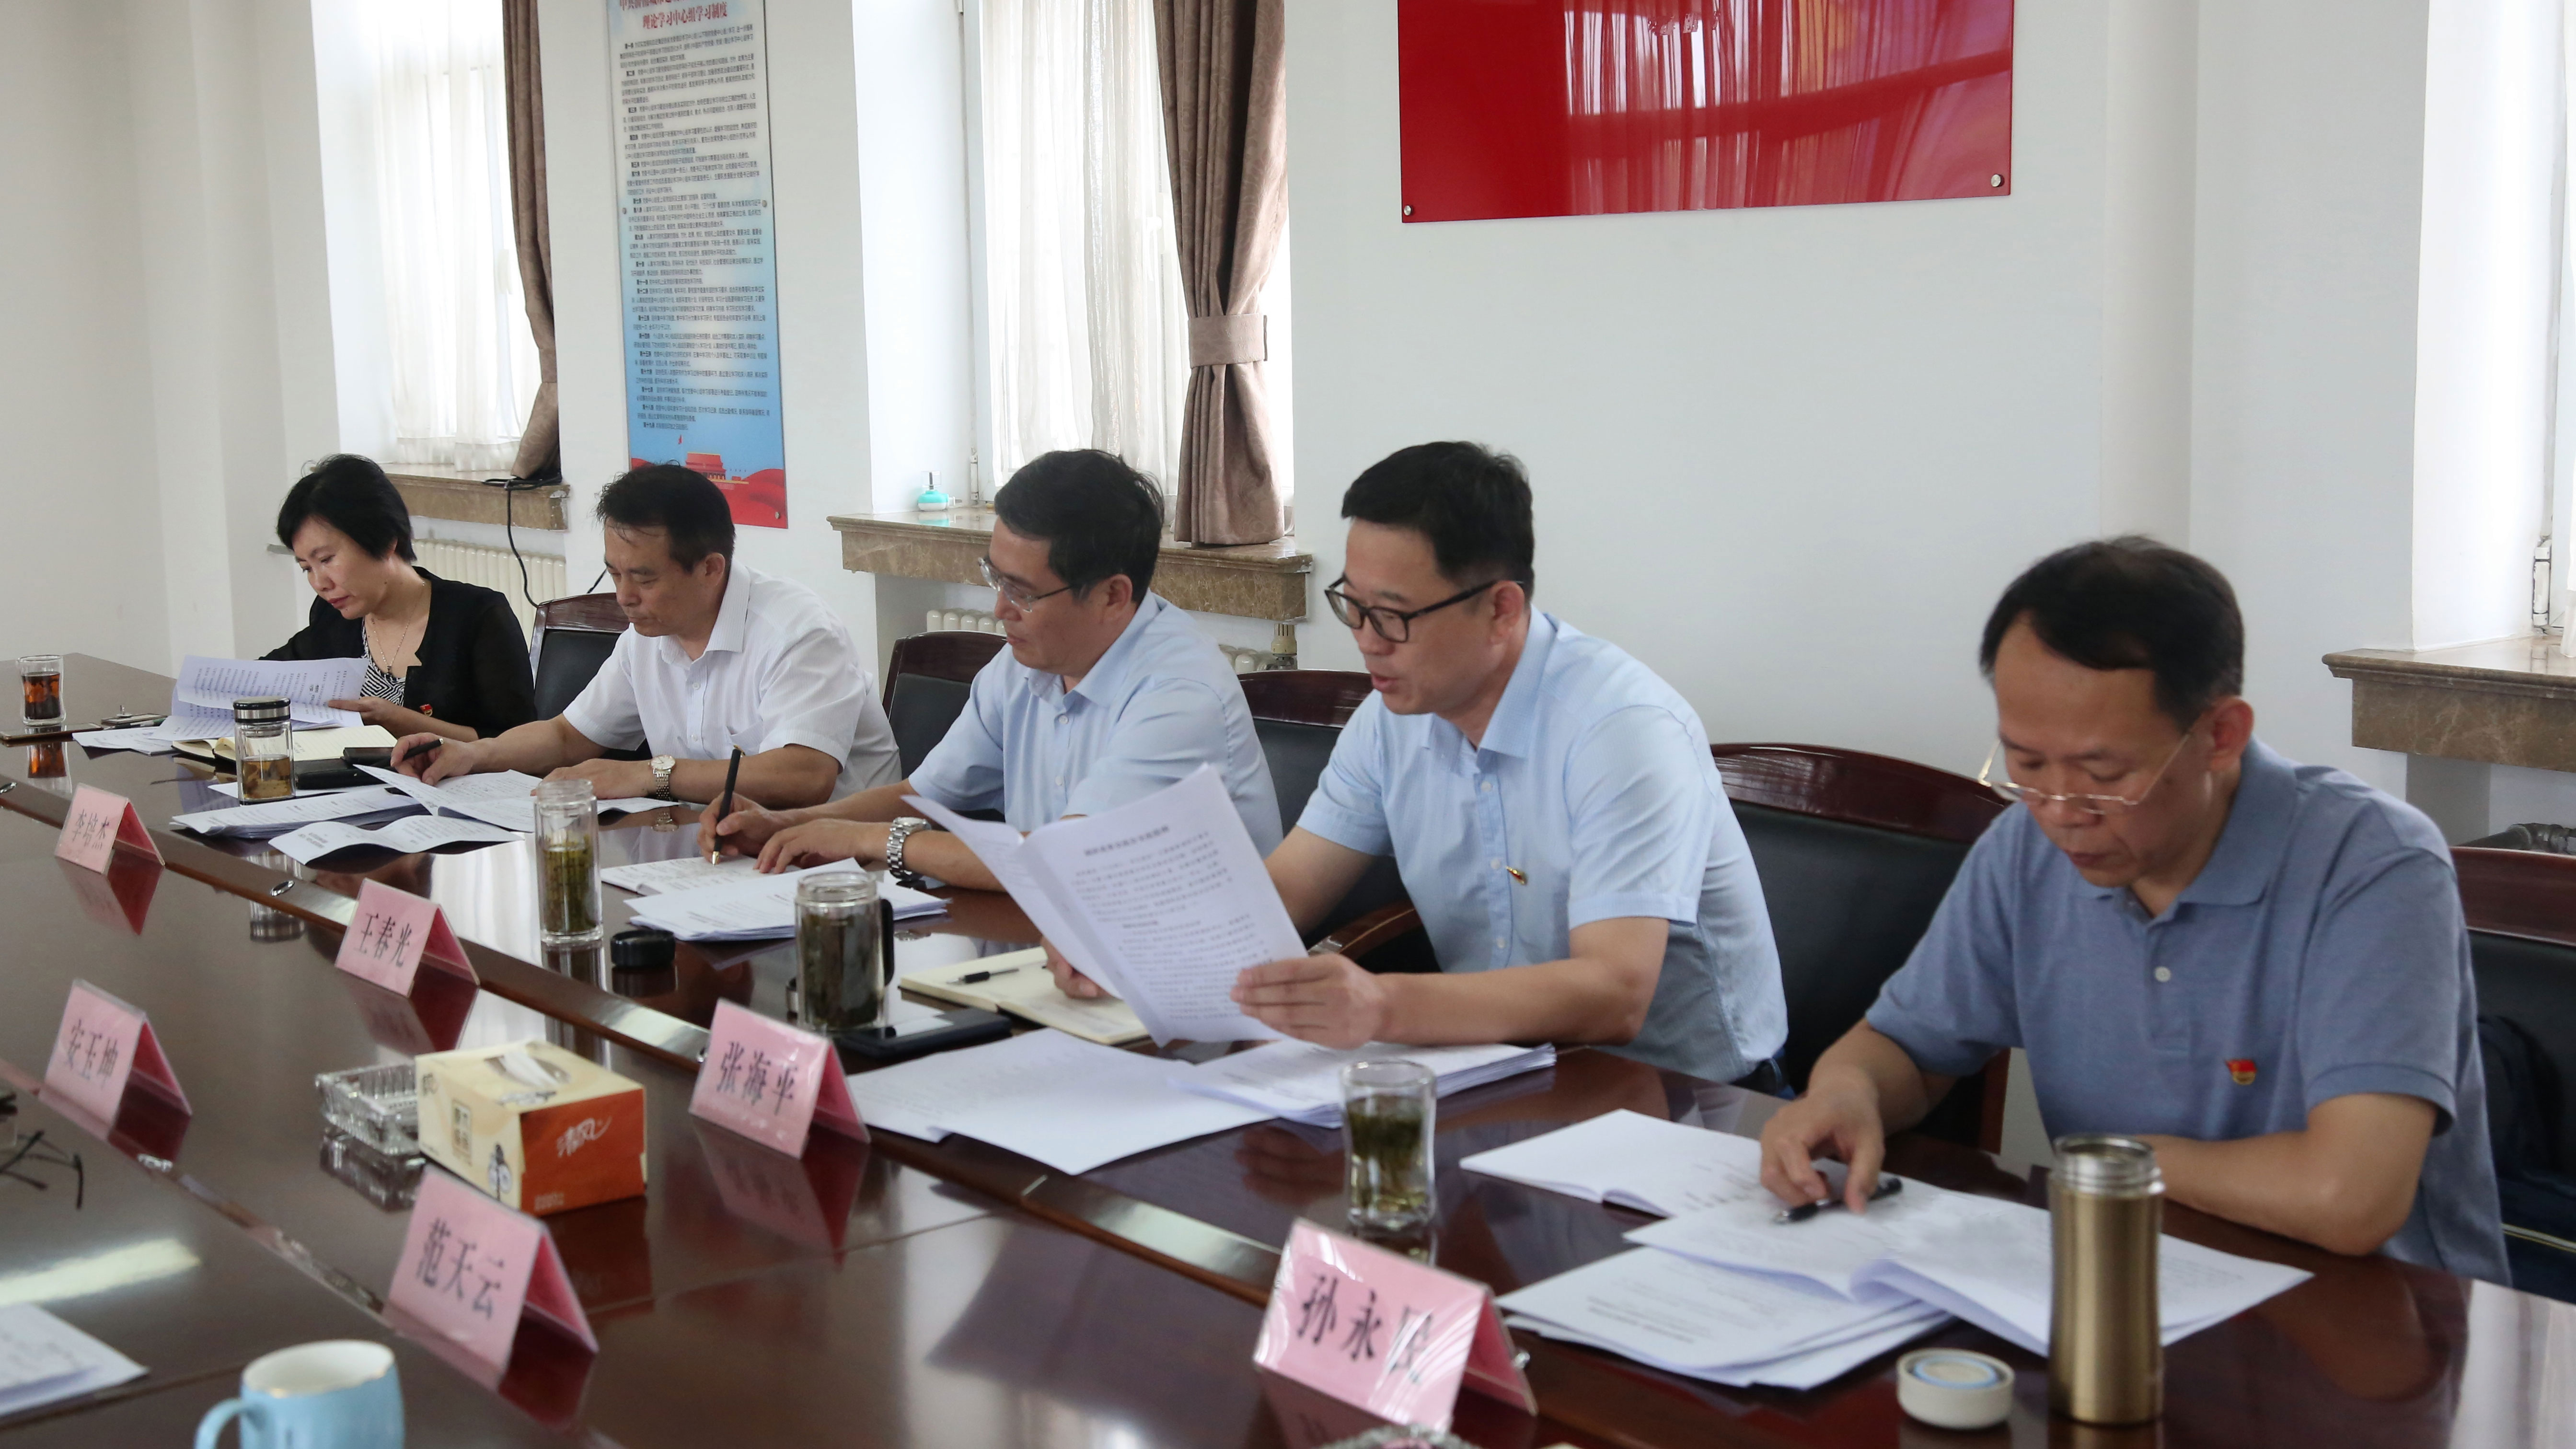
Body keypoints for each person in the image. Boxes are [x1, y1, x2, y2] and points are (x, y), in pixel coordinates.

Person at [1758, 538, 2508, 1280]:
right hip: (2122, 1278)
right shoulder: (2024, 850)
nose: (2060, 810)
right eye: (2026, 763)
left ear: (2219, 735)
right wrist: (1845, 1093)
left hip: (2374, 1318)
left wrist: (2113, 1161)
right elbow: (1904, 1047)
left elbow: (2348, 1197)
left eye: (2103, 772)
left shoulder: (2370, 864)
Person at [1044, 441, 1786, 1085]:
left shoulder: (1619, 730)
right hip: (1495, 1070)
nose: (1365, 639)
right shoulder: (1389, 719)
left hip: (1686, 1097)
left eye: (1393, 615)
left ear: (1500, 609)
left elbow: (1613, 992)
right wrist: (1128, 945)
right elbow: (1286, 889)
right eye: (1352, 604)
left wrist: (1383, 1004)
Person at [700, 450, 1280, 890]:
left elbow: (1071, 857)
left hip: (1190, 969)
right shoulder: (1021, 664)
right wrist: (787, 823)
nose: (999, 608)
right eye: (994, 577)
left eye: (1022, 591)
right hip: (1061, 937)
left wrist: (867, 840)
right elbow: (925, 795)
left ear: (1112, 595)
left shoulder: (1179, 693)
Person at [397, 464, 897, 806]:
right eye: (614, 573)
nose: (624, 596)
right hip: (716, 848)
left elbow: (804, 775)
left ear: (710, 568)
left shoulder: (797, 632)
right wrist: (474, 754)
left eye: (644, 578)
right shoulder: (648, 636)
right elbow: (568, 735)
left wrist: (646, 774)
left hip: (839, 863)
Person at [268, 455, 535, 742]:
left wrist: (401, 722)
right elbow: (264, 678)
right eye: (307, 568)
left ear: (385, 540)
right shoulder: (332, 616)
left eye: (326, 559)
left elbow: (519, 744)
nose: (320, 584)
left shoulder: (478, 617)